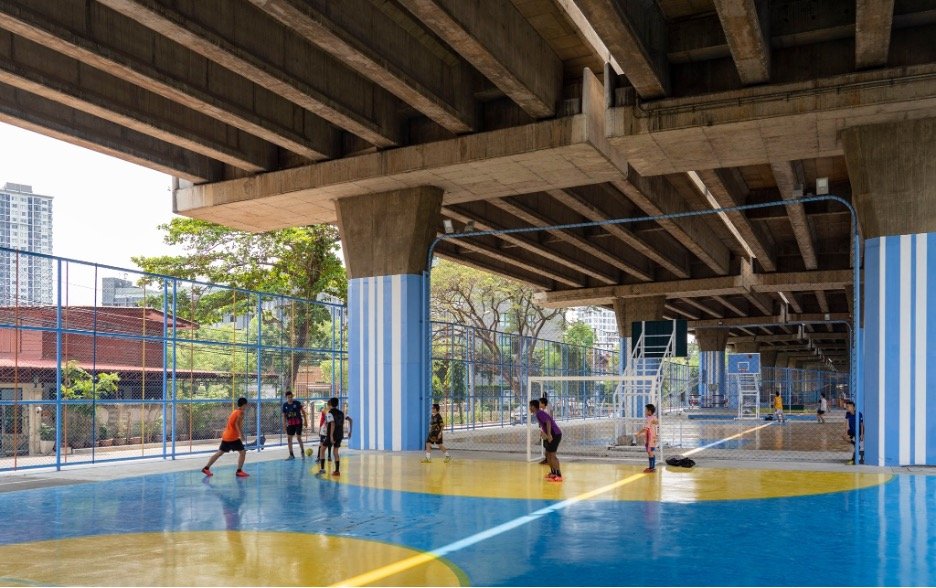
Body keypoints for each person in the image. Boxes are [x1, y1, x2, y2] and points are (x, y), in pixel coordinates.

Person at [202, 397, 250, 478]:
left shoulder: (235, 411)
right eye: (246, 404)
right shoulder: (241, 412)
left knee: (219, 453)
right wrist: (241, 435)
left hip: (226, 436)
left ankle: (206, 468)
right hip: (232, 437)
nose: (247, 406)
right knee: (242, 452)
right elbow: (236, 424)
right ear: (244, 405)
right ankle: (239, 471)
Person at [530, 398, 562, 482]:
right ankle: (553, 473)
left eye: (530, 406)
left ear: (533, 407)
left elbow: (548, 422)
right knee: (547, 454)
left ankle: (558, 475)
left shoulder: (540, 413)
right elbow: (545, 423)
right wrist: (544, 433)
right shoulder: (538, 413)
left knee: (552, 455)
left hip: (555, 434)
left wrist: (549, 434)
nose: (529, 408)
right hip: (551, 434)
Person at [282, 391, 307, 460]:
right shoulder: (285, 405)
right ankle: (291, 454)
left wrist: (305, 421)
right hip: (290, 424)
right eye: (288, 397)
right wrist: (284, 425)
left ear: (292, 396)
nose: (290, 398)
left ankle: (302, 451)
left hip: (298, 423)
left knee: (298, 438)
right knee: (289, 439)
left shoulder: (297, 403)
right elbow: (284, 416)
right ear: (286, 398)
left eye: (291, 397)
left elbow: (303, 412)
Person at [635, 403, 658, 473]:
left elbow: (646, 428)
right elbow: (656, 423)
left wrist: (638, 433)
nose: (645, 412)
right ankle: (652, 467)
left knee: (650, 452)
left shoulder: (649, 418)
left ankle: (651, 468)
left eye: (646, 410)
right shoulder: (654, 417)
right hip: (653, 438)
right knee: (652, 452)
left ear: (649, 411)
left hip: (650, 438)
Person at [326, 397, 345, 476]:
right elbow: (342, 423)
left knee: (324, 448)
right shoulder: (341, 413)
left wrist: (331, 436)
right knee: (336, 452)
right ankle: (337, 470)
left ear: (330, 403)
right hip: (340, 433)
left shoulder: (329, 413)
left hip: (333, 433)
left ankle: (323, 467)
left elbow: (332, 424)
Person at [844, 399, 864, 464]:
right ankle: (855, 443)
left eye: (848, 406)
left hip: (858, 431)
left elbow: (861, 425)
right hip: (852, 431)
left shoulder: (859, 414)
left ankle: (853, 459)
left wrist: (862, 434)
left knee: (856, 447)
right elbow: (846, 424)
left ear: (853, 407)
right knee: (843, 436)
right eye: (846, 406)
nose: (847, 408)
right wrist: (846, 433)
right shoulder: (847, 414)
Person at [316, 405, 330, 474]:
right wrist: (320, 430)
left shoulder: (332, 412)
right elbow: (322, 421)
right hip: (324, 431)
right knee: (321, 445)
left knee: (324, 446)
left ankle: (328, 456)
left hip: (326, 431)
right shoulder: (324, 411)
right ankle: (319, 457)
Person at [538, 396, 550, 464]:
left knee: (547, 445)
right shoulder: (543, 411)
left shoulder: (545, 412)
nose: (538, 404)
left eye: (539, 403)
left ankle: (548, 459)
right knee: (546, 445)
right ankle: (547, 459)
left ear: (543, 404)